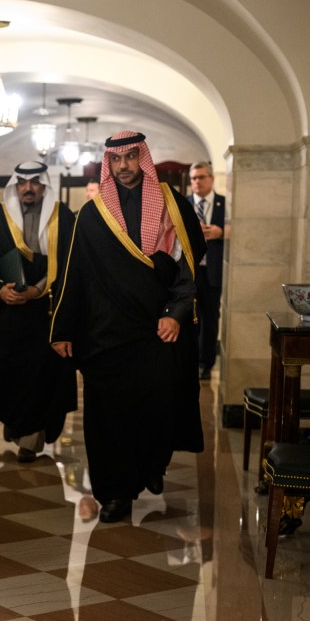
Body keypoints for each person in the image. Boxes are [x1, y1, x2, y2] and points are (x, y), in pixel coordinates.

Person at [50, 131, 205, 523]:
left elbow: (187, 269)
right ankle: (115, 492)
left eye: (132, 157)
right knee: (108, 418)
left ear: (144, 159)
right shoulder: (92, 215)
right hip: (105, 336)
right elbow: (75, 276)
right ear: (108, 163)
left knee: (157, 408)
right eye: (116, 159)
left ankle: (151, 465)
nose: (124, 166)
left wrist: (177, 313)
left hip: (156, 330)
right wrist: (64, 329)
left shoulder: (173, 206)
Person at [0, 160, 76, 460]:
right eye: (22, 183)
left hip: (46, 312)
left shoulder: (63, 217)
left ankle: (30, 436)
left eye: (34, 183)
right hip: (6, 313)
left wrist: (38, 289)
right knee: (0, 372)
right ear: (15, 185)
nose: (28, 188)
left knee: (41, 375)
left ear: (44, 185)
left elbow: (70, 262)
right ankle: (15, 422)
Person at [187, 161, 227, 380]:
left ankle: (206, 363)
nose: (197, 182)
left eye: (201, 177)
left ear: (211, 178)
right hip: (190, 272)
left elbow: (239, 228)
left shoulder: (223, 203)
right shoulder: (184, 204)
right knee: (190, 319)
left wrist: (222, 231)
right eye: (193, 178)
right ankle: (189, 360)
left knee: (210, 318)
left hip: (212, 270)